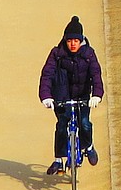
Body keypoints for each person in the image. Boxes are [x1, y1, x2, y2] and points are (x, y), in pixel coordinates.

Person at [38, 15, 104, 175]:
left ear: (81, 40)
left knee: (84, 123)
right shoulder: (57, 54)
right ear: (65, 40)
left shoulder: (88, 54)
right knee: (61, 126)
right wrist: (46, 96)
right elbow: (47, 74)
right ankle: (58, 160)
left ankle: (88, 147)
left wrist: (97, 95)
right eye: (69, 41)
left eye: (76, 40)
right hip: (62, 96)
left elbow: (96, 75)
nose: (72, 44)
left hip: (82, 97)